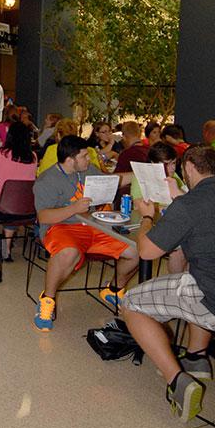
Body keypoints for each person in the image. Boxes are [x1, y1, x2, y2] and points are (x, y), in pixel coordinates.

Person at [122, 145, 215, 422]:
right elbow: (212, 220)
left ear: (190, 168)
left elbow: (146, 251)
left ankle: (177, 381)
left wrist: (146, 217)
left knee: (131, 303)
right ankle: (196, 357)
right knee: (195, 276)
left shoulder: (189, 205)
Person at [33, 135, 139, 331]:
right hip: (61, 227)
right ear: (70, 160)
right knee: (68, 252)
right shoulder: (46, 180)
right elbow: (44, 216)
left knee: (136, 251)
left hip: (94, 226)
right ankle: (47, 299)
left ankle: (113, 290)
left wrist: (139, 174)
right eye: (84, 156)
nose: (89, 159)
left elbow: (112, 180)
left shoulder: (87, 170)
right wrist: (73, 209)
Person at [0, 122, 38, 262]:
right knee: (13, 203)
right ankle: (7, 249)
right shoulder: (33, 157)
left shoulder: (0, 153)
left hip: (2, 210)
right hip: (26, 210)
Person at [129, 141, 187, 273]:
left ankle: (189, 280)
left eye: (173, 163)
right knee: (178, 250)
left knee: (194, 245)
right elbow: (138, 205)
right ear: (153, 164)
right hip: (149, 224)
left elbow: (187, 201)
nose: (171, 168)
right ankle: (177, 282)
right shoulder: (140, 176)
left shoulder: (174, 177)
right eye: (166, 164)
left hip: (173, 223)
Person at [37, 118, 101, 176]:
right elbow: (97, 173)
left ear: (58, 135)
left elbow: (42, 173)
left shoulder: (52, 149)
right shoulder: (90, 150)